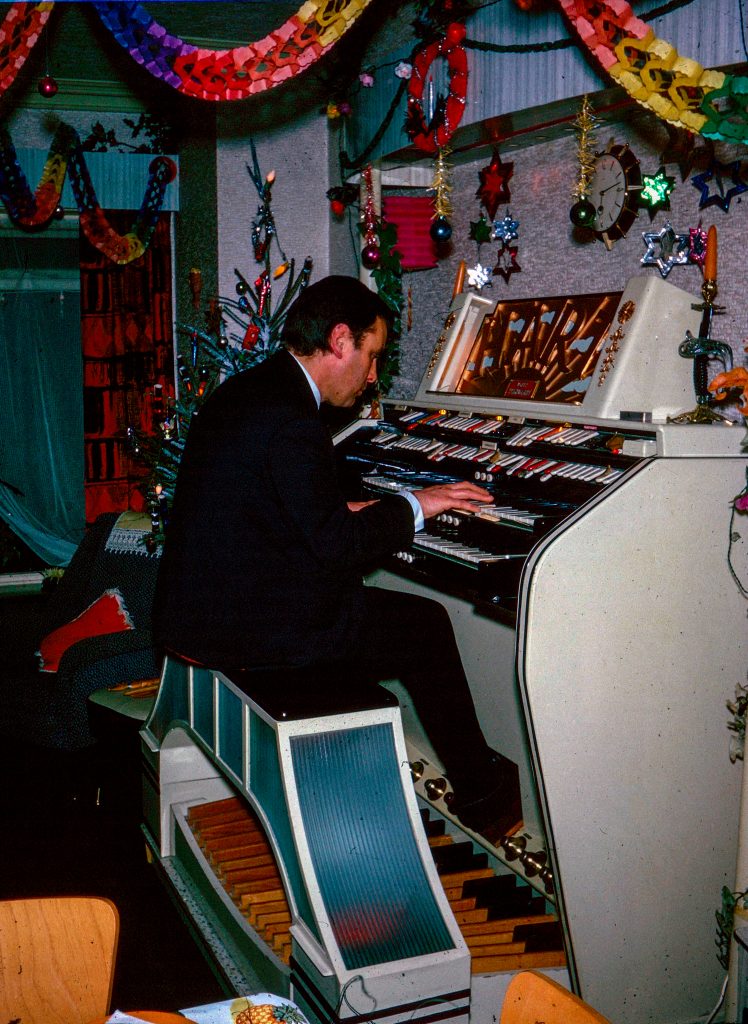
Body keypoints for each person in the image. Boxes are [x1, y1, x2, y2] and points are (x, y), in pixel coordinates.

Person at [153, 275, 520, 842]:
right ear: (341, 339)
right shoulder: (294, 419)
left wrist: (352, 508)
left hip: (206, 609)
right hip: (247, 629)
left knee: (395, 613)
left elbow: (261, 501)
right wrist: (417, 503)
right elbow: (338, 548)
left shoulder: (253, 391)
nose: (373, 376)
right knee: (424, 626)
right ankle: (485, 797)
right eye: (372, 356)